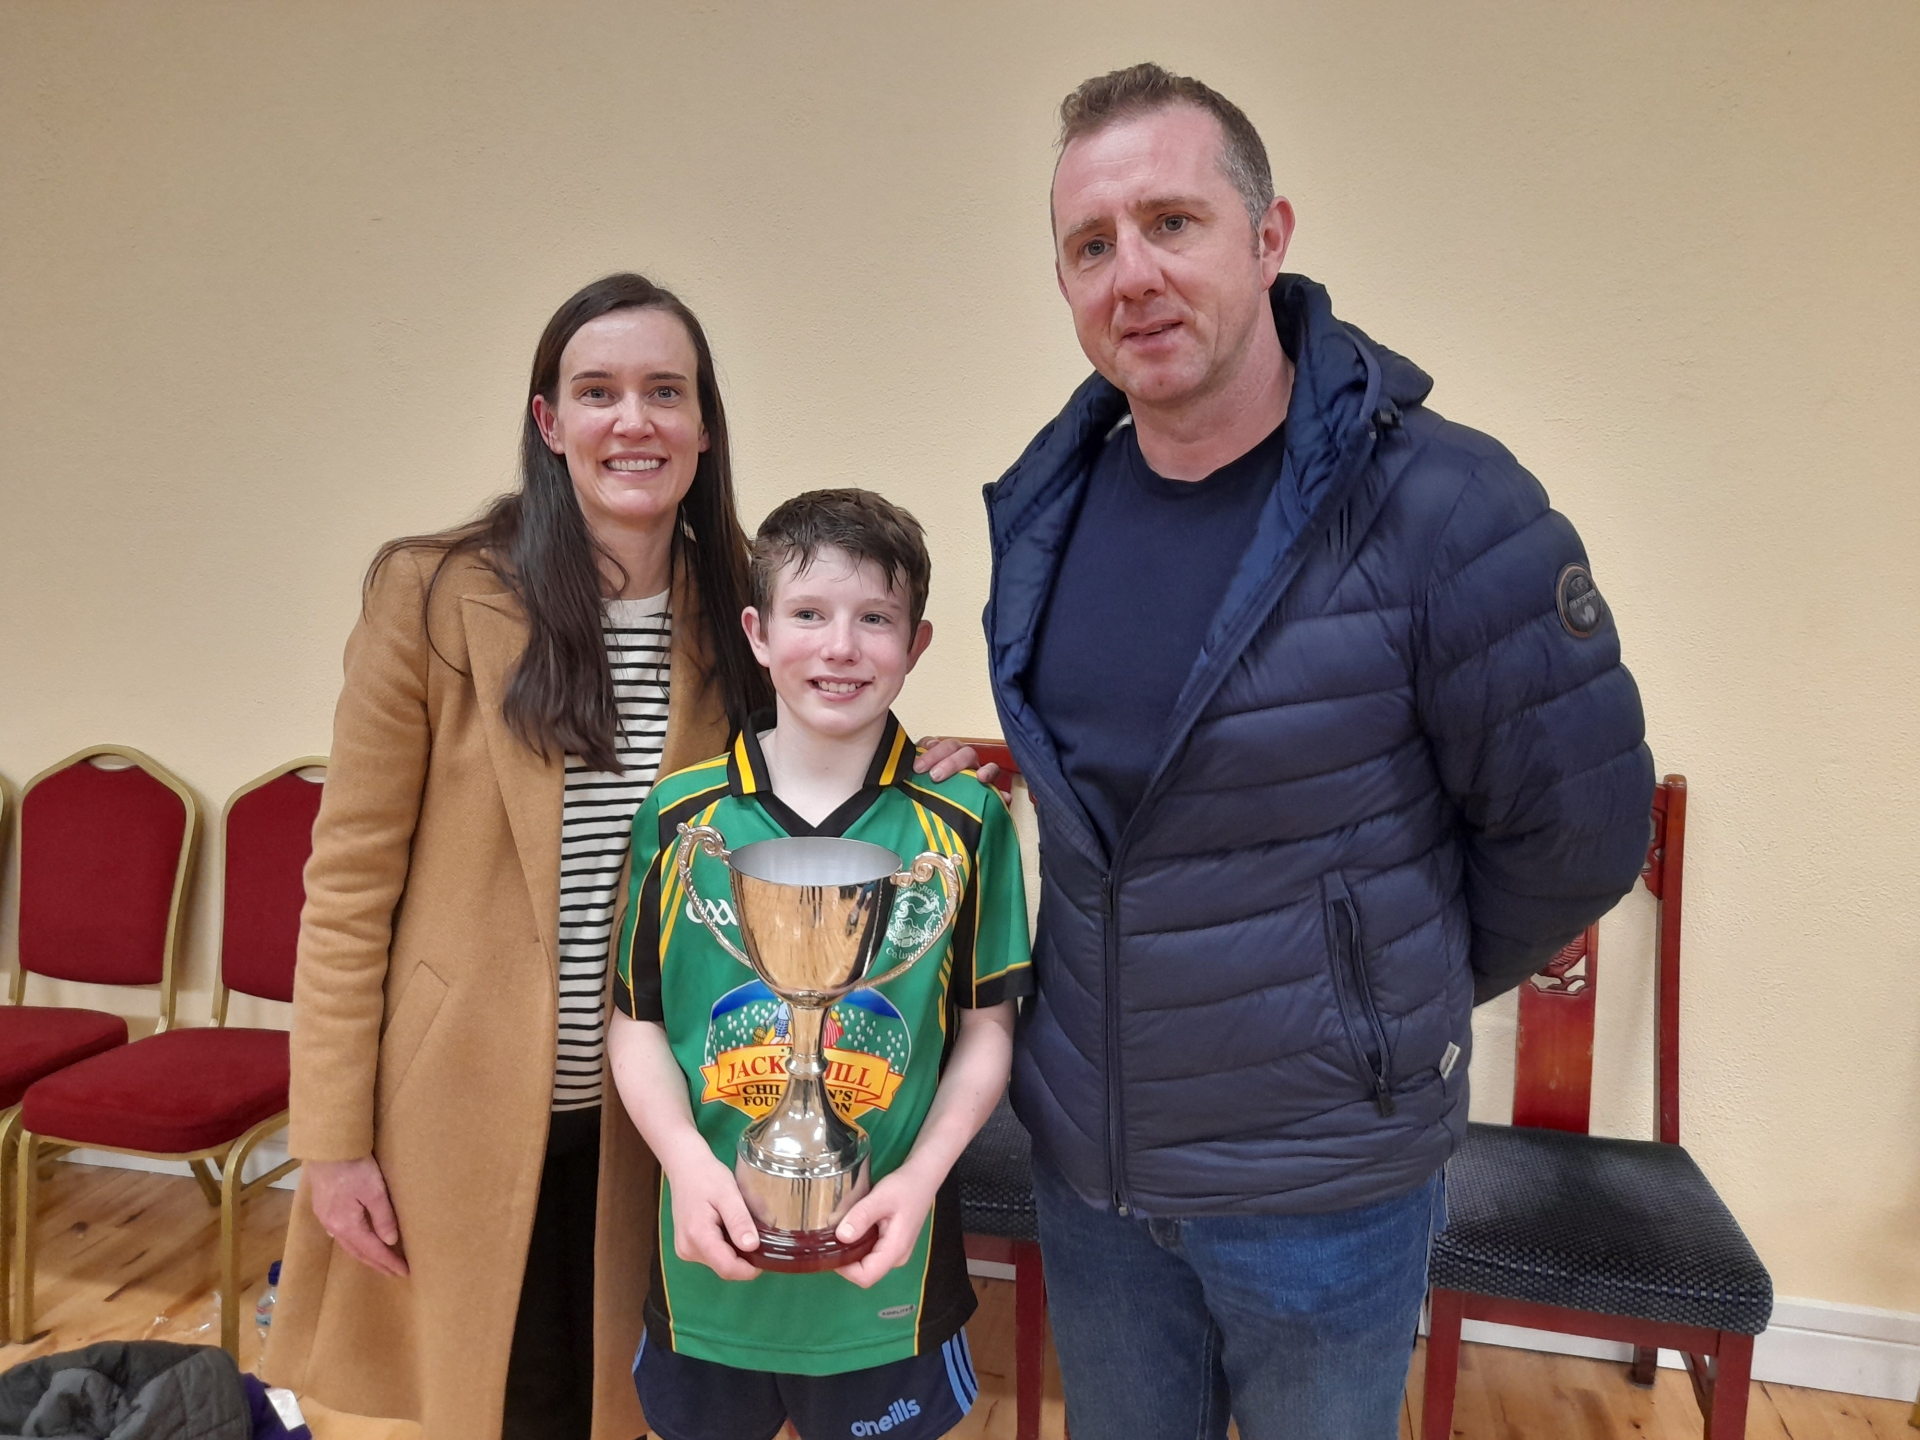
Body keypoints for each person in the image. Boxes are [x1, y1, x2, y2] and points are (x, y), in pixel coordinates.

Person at [981, 65, 1656, 1440]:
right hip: (1094, 1171)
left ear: (1269, 235)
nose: (1133, 274)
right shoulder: (1046, 506)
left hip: (1322, 1192)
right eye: (1091, 245)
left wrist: (1369, 1011)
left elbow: (1579, 832)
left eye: (1172, 223)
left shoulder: (1448, 508)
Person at [264, 276, 969, 1440]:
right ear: (550, 422)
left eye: (664, 392)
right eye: (597, 392)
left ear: (703, 425)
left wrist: (909, 777)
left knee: (609, 1404)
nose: (632, 421)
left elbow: (809, 770)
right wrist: (331, 1141)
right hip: (457, 1105)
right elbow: (346, 889)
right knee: (487, 1403)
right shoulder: (433, 592)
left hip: (663, 1113)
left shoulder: (744, 602)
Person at [607, 489, 1031, 1440]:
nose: (840, 648)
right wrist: (685, 1163)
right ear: (758, 634)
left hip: (886, 1269)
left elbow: (986, 1030)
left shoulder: (966, 823)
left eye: (874, 618)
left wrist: (919, 1181)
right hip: (709, 1260)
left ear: (916, 644)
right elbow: (636, 1023)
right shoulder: (681, 818)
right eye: (808, 614)